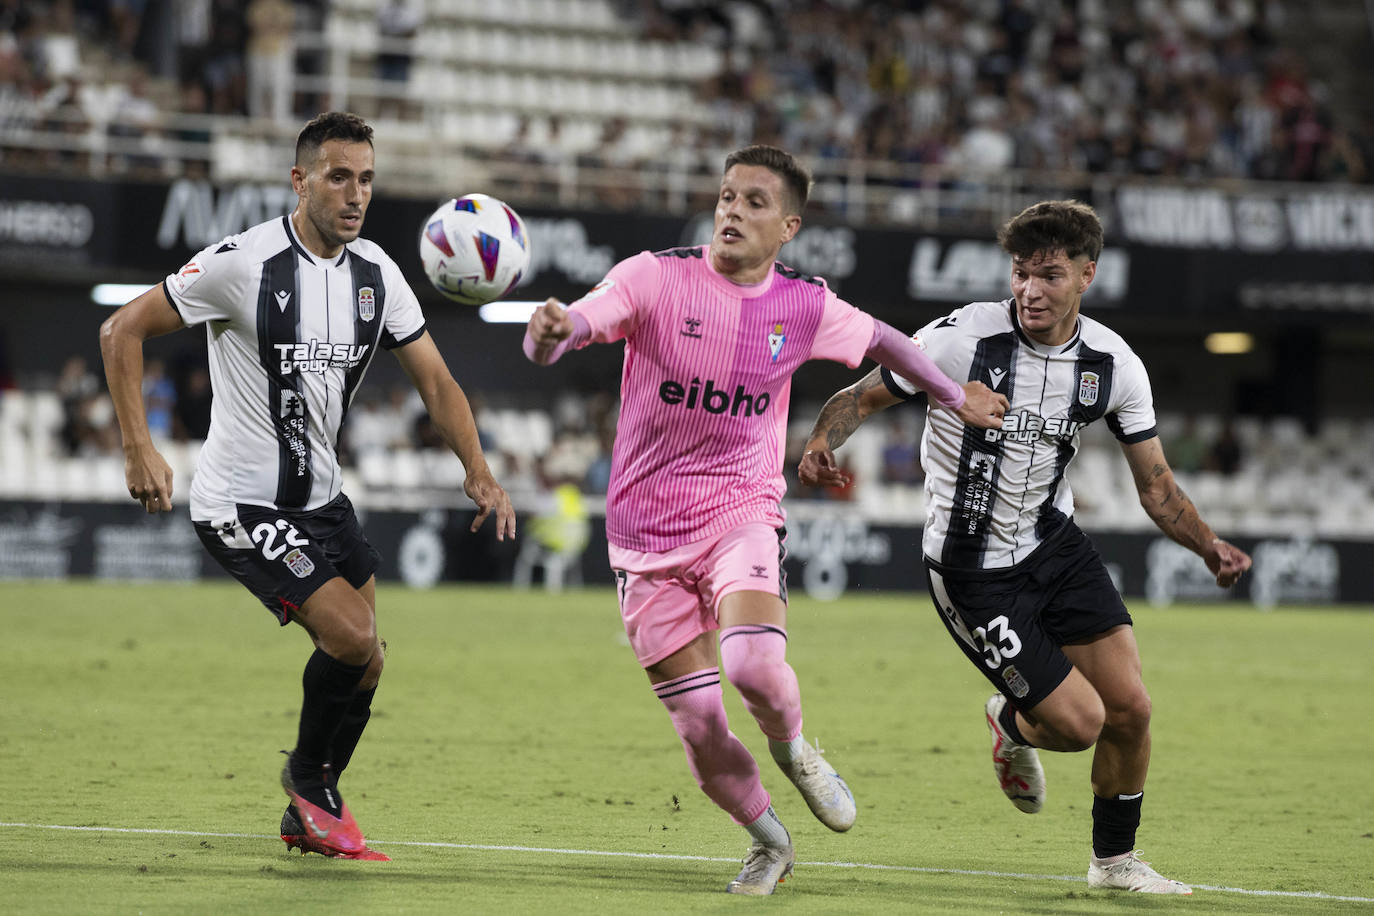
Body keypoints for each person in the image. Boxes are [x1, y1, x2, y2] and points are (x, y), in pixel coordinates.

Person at [523, 144, 1007, 895]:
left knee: (752, 666)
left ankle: (796, 751)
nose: (731, 212)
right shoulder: (656, 276)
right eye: (724, 197)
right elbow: (581, 322)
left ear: (788, 226)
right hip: (643, 536)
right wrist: (551, 333)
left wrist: (955, 396)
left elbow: (886, 342)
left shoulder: (804, 305)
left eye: (752, 202)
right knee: (699, 726)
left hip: (741, 511)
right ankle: (769, 840)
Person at [798, 200, 1252, 895]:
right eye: (1019, 274)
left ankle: (1114, 864)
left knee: (1131, 710)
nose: (1030, 291)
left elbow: (1156, 487)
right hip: (971, 570)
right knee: (1078, 726)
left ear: (1086, 275)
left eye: (1049, 275)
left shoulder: (1112, 364)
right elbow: (859, 398)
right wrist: (821, 444)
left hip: (1055, 546)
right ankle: (1011, 720)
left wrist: (1209, 546)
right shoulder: (959, 341)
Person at [99, 111, 514, 861]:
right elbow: (119, 329)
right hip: (240, 502)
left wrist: (478, 471)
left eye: (366, 179)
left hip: (324, 501)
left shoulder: (378, 275)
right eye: (338, 177)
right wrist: (138, 446)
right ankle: (307, 779)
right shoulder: (242, 263)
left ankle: (308, 806)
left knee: (370, 659)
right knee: (351, 638)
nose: (355, 194)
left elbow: (438, 382)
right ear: (301, 180)